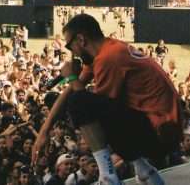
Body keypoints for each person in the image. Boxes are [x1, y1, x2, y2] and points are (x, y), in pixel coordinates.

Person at [32, 14, 180, 185]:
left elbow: (87, 106)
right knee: (81, 101)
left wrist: (72, 77)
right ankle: (145, 171)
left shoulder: (109, 58)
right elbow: (69, 92)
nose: (71, 52)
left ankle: (108, 177)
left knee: (79, 105)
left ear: (81, 39)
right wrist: (44, 131)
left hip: (159, 135)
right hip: (162, 128)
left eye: (69, 45)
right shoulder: (107, 50)